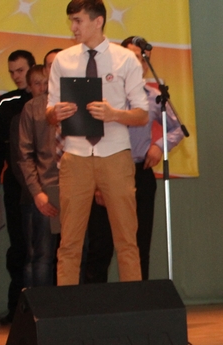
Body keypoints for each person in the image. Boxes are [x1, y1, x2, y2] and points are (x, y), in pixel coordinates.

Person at [46, 0, 149, 285]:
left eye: (78, 20)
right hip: (75, 154)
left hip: (115, 153)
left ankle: (133, 303)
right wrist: (55, 113)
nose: (73, 27)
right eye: (71, 21)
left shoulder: (125, 59)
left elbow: (142, 114)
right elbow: (49, 109)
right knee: (69, 242)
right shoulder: (63, 60)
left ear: (98, 21)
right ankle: (67, 306)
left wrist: (114, 114)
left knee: (127, 239)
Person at [83, 35, 185, 283]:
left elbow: (179, 129)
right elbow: (90, 137)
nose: (136, 62)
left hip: (140, 172)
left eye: (140, 58)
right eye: (130, 57)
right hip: (108, 172)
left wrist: (159, 147)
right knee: (101, 245)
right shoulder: (104, 95)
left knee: (139, 244)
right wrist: (97, 183)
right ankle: (96, 302)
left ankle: (139, 300)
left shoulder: (153, 96)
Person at [0, 49, 35, 324]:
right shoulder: (4, 104)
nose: (16, 76)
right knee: (19, 246)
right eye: (12, 72)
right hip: (15, 184)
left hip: (48, 183)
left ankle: (51, 305)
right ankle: (17, 308)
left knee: (48, 247)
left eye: (20, 70)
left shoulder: (49, 100)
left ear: (33, 68)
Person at [18, 65, 61, 287]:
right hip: (46, 188)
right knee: (43, 255)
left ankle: (76, 305)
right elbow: (24, 154)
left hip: (76, 187)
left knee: (78, 253)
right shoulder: (32, 108)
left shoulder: (76, 101)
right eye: (38, 83)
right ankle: (41, 307)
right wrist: (37, 192)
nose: (44, 87)